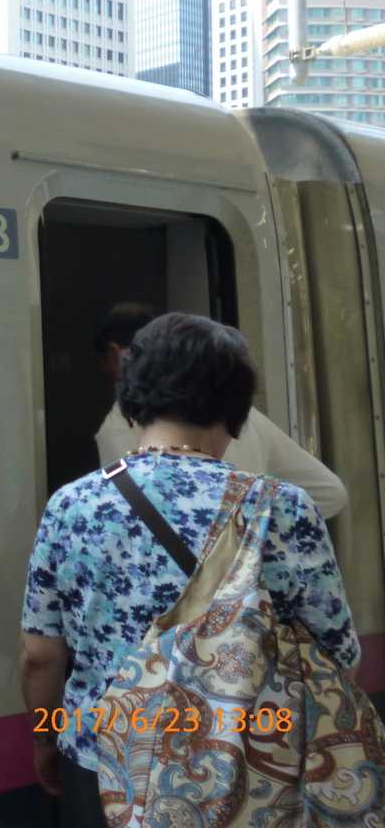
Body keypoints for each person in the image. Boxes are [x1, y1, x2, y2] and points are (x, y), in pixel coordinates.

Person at [20, 313, 360, 825]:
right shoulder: (283, 507)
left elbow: (40, 656)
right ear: (237, 410)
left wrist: (46, 740)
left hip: (100, 761)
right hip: (244, 768)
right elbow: (338, 657)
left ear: (131, 397)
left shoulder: (72, 505)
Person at [92, 302, 347, 519]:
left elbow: (125, 516)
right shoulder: (244, 415)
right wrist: (262, 528)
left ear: (119, 355)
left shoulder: (81, 499)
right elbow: (330, 493)